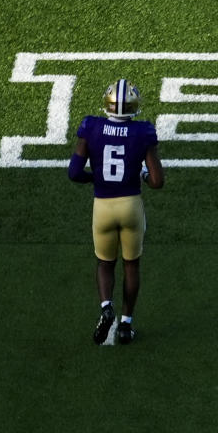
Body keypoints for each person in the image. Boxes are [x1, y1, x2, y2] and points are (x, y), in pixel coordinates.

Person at [68, 78, 164, 345]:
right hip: (130, 205)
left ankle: (106, 306)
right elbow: (157, 181)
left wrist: (95, 178)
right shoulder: (143, 132)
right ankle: (125, 324)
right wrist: (143, 173)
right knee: (131, 265)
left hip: (103, 206)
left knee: (105, 263)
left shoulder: (91, 126)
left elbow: (74, 173)